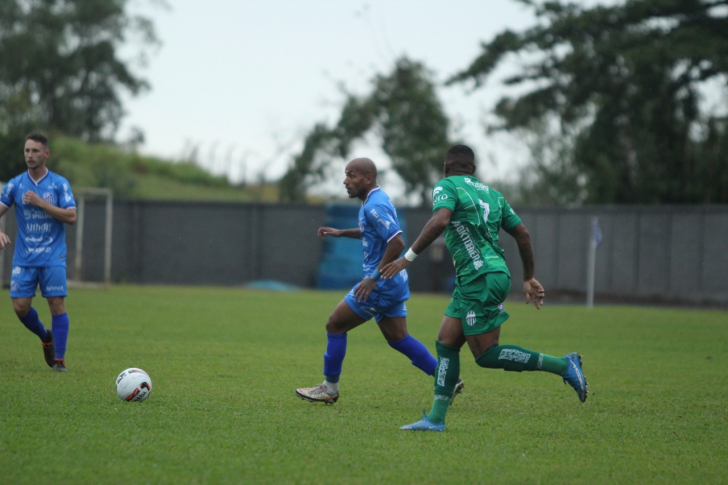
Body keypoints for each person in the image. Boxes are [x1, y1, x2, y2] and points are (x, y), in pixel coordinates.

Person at [381, 144, 587, 431]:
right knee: (446, 342)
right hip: (481, 275)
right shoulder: (493, 194)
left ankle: (564, 365)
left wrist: (407, 258)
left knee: (486, 354)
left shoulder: (446, 186)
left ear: (445, 167)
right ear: (474, 170)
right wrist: (528, 277)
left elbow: (440, 220)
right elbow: (523, 233)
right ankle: (436, 420)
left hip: (480, 277)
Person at [295, 157, 463, 403]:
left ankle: (329, 389)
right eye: (346, 175)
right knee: (398, 338)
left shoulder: (374, 205)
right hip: (393, 282)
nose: (345, 181)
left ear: (368, 178)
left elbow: (397, 242)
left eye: (351, 175)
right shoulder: (376, 200)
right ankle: (447, 378)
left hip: (381, 284)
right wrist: (342, 233)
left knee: (335, 325)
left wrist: (373, 278)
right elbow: (373, 231)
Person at [0, 133, 77, 372]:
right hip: (25, 257)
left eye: (35, 151)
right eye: (26, 151)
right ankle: (45, 336)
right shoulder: (15, 184)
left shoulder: (59, 184)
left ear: (46, 154)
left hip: (53, 255)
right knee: (20, 307)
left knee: (56, 303)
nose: (29, 155)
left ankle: (59, 360)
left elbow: (71, 216)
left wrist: (41, 203)